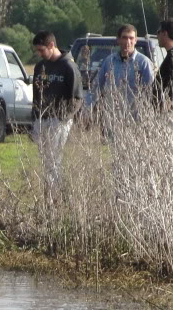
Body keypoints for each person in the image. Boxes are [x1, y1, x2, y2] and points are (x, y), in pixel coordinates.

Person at [31, 30, 83, 190]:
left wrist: (63, 117)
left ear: (51, 45)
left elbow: (77, 97)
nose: (39, 54)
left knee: (54, 158)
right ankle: (49, 192)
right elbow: (36, 95)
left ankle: (56, 193)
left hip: (59, 120)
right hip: (42, 118)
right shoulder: (40, 67)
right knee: (45, 159)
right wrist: (34, 118)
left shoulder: (69, 66)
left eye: (41, 50)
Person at [93, 24, 153, 116]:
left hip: (135, 118)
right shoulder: (109, 61)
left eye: (131, 38)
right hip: (111, 117)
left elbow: (150, 91)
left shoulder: (144, 63)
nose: (128, 42)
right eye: (124, 38)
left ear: (135, 40)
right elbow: (97, 86)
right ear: (118, 40)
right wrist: (91, 108)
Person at [154, 19, 173, 112]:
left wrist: (165, 111)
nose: (157, 36)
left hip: (170, 113)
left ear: (165, 33)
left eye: (158, 32)